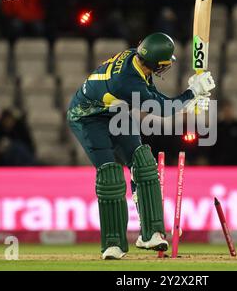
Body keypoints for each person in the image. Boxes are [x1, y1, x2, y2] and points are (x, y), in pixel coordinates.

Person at [67, 32, 214, 259]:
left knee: (143, 164)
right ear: (158, 64)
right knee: (110, 174)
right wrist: (192, 93)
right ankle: (112, 243)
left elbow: (153, 95)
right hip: (87, 117)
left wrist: (190, 98)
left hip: (116, 111)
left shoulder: (136, 59)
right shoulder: (127, 81)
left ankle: (151, 233)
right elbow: (162, 109)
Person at [210, 99, 237, 165]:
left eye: (229, 110)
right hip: (221, 163)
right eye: (225, 111)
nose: (227, 113)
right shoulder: (217, 127)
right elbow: (213, 148)